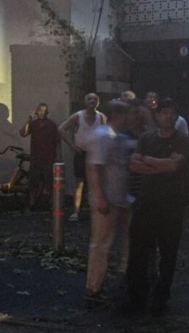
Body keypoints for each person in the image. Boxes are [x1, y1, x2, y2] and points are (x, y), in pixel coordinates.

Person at [126, 98, 189, 314]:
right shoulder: (146, 137)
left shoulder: (183, 139)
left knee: (168, 252)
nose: (168, 116)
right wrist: (160, 164)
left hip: (172, 203)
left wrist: (148, 161)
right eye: (164, 113)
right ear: (157, 115)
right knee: (139, 250)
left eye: (172, 113)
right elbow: (134, 165)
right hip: (146, 202)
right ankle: (137, 296)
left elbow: (174, 166)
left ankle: (161, 296)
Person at [82, 101, 137, 305]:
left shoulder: (118, 138)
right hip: (108, 198)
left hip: (119, 197)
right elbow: (95, 169)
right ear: (118, 116)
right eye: (128, 115)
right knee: (102, 243)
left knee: (123, 239)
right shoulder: (101, 137)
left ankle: (120, 275)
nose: (131, 119)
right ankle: (93, 286)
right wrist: (100, 197)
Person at [58, 93, 106, 222]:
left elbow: (106, 134)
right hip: (81, 153)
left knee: (95, 183)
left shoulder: (101, 117)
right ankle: (76, 211)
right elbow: (61, 129)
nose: (92, 101)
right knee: (79, 182)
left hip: (96, 154)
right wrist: (73, 146)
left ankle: (94, 210)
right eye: (89, 99)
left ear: (98, 102)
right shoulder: (78, 116)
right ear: (85, 102)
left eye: (94, 99)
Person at [19, 103, 59, 209]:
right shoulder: (33, 124)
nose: (42, 113)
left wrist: (58, 157)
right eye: (40, 110)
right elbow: (23, 133)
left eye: (44, 111)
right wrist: (28, 119)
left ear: (47, 112)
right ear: (36, 111)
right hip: (36, 157)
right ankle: (32, 203)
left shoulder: (52, 124)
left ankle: (52, 204)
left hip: (49, 157)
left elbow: (57, 141)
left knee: (50, 182)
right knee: (33, 181)